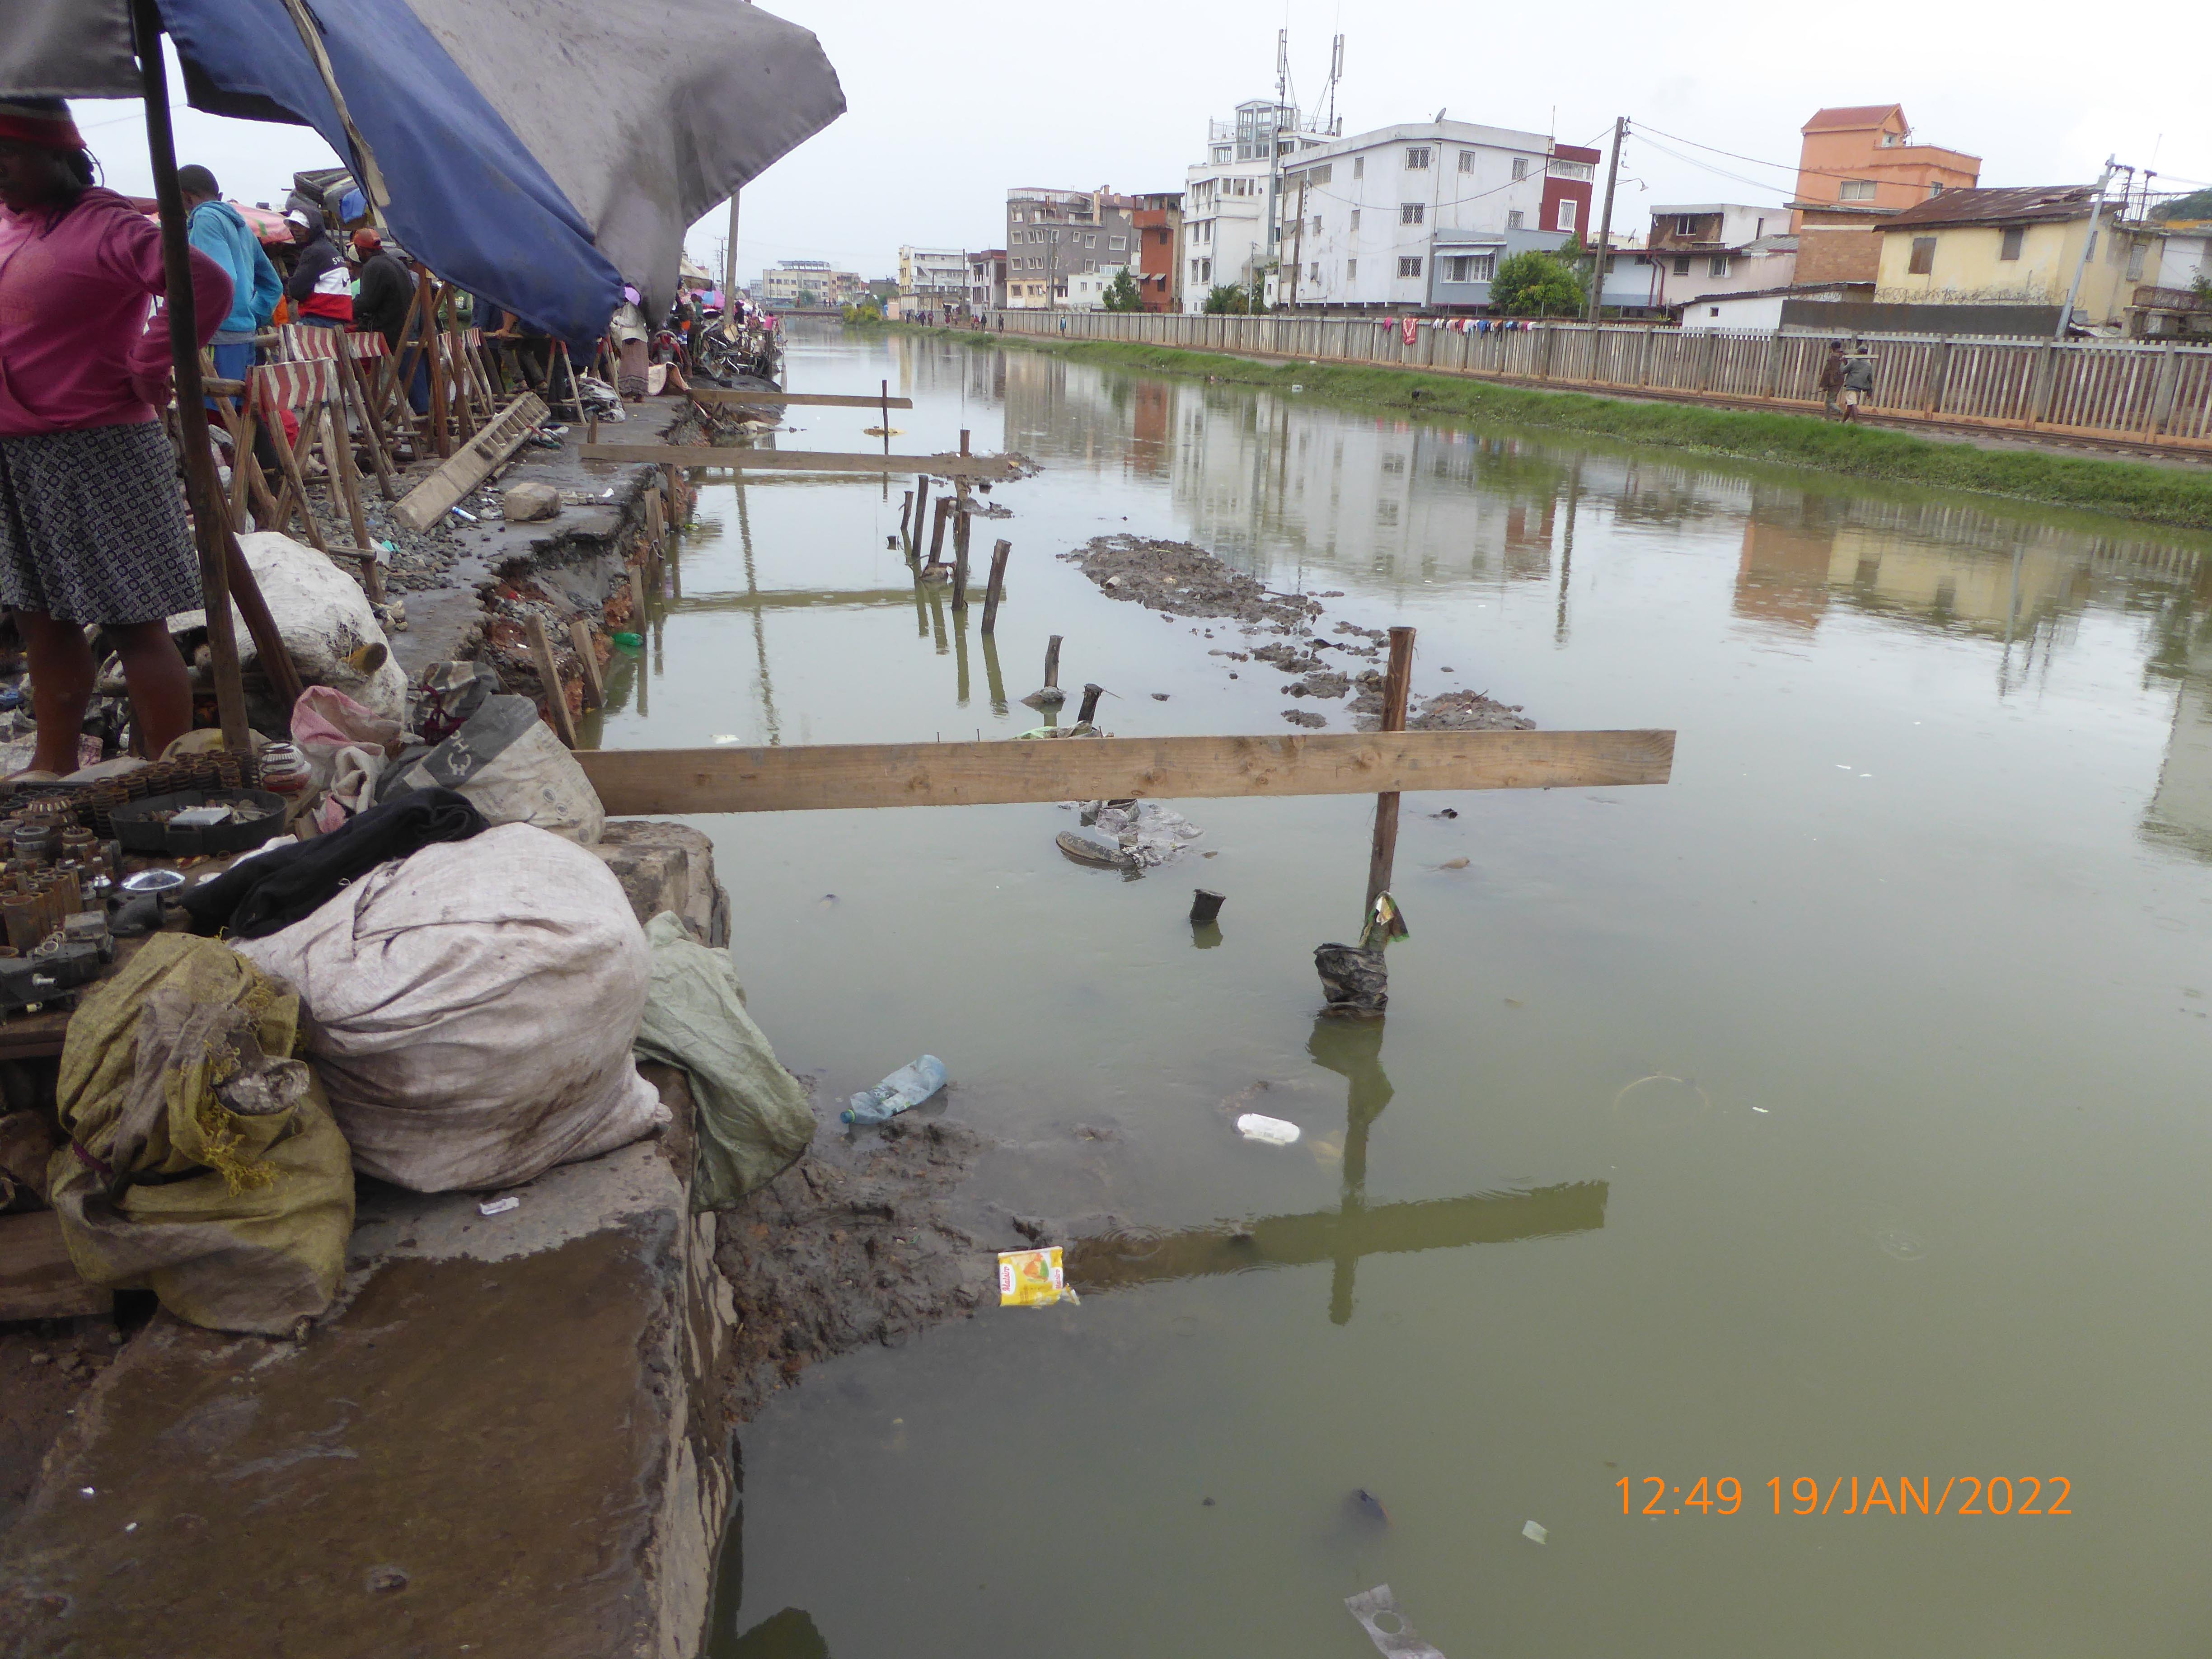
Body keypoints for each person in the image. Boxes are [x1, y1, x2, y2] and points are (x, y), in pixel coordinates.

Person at [0, 97, 231, 776]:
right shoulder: (14, 226)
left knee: (133, 620)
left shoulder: (106, 225)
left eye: (7, 155)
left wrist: (150, 362)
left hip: (98, 445)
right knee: (41, 619)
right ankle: (53, 761)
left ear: (57, 155)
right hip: (16, 451)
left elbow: (204, 282)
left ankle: (165, 773)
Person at [179, 165, 280, 393]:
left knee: (216, 417)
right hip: (243, 335)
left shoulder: (205, 218)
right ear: (220, 196)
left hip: (217, 336)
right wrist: (250, 315)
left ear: (186, 197)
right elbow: (273, 286)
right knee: (240, 415)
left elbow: (219, 279)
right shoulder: (244, 229)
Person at [282, 206, 351, 329]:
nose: (296, 230)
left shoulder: (313, 252)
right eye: (293, 225)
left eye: (301, 226)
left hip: (318, 321)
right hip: (336, 323)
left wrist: (290, 283)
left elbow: (296, 291)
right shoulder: (332, 250)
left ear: (313, 229)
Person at [1841, 340, 1875, 423]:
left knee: (1853, 405)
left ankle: (1856, 422)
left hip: (1851, 386)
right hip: (1859, 388)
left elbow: (1844, 371)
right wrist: (1870, 391)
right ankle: (1843, 422)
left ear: (1859, 352)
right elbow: (1870, 379)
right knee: (1850, 405)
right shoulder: (1868, 365)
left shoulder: (1853, 361)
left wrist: (1843, 362)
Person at [1817, 340, 1846, 418]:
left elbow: (1828, 372)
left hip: (1833, 383)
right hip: (1838, 382)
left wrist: (1826, 385)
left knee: (1830, 401)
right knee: (1829, 401)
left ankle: (1841, 413)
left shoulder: (1834, 358)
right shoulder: (1842, 357)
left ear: (1833, 348)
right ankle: (1827, 418)